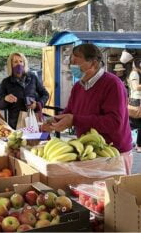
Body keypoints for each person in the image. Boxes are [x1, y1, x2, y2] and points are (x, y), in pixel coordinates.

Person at [42, 43, 133, 174]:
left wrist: (75, 120)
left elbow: (114, 122)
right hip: (88, 152)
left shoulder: (113, 85)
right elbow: (70, 111)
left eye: (76, 62)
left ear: (94, 63)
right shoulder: (78, 87)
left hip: (114, 152)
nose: (72, 66)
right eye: (71, 63)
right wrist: (55, 120)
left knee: (112, 193)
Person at [0, 52, 49, 129]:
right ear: (11, 65)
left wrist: (37, 104)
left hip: (33, 120)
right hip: (15, 123)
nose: (19, 64)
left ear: (24, 63)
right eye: (15, 62)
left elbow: (45, 94)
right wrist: (5, 99)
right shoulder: (6, 82)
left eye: (21, 61)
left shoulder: (33, 78)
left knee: (34, 140)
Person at [127, 58, 141, 153]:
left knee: (137, 124)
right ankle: (138, 145)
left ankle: (138, 144)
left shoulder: (137, 73)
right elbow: (136, 87)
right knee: (134, 124)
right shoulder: (134, 74)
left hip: (138, 101)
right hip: (137, 102)